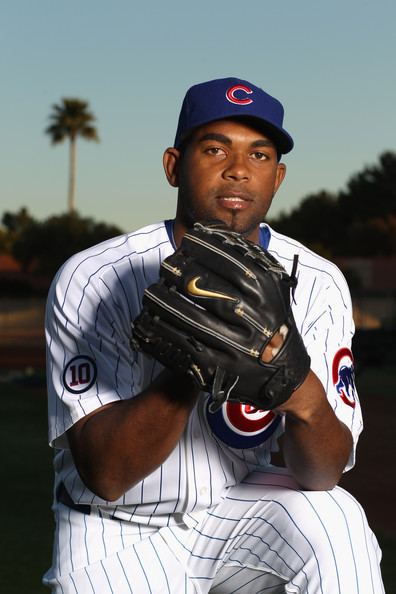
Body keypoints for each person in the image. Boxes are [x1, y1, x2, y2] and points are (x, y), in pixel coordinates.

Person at [43, 77, 385, 593]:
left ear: (278, 177)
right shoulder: (93, 276)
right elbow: (106, 476)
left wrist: (307, 400)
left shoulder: (317, 282)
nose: (239, 170)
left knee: (336, 520)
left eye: (260, 155)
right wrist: (196, 357)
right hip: (112, 530)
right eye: (214, 148)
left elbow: (322, 473)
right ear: (173, 166)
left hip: (235, 511)